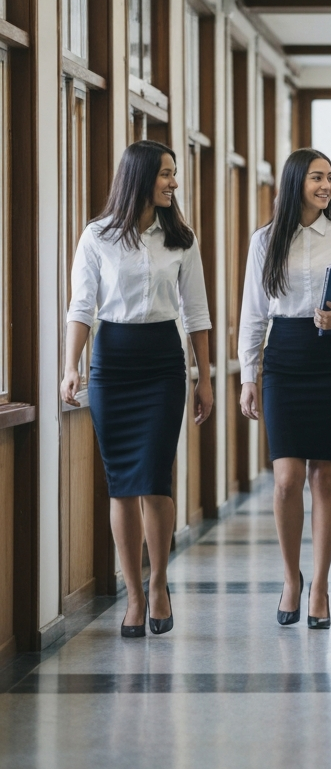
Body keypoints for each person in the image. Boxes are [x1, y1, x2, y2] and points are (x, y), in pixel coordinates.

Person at [60, 140, 213, 638]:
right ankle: (132, 593)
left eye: (174, 173)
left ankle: (160, 584)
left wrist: (204, 377)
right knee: (123, 483)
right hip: (113, 362)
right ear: (141, 178)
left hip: (163, 362)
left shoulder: (181, 239)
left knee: (155, 477)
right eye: (166, 173)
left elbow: (197, 313)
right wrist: (70, 368)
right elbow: (81, 307)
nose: (173, 182)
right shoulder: (97, 236)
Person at [239, 148, 331, 629]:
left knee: (325, 478)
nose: (326, 186)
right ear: (297, 181)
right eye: (317, 177)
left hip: (330, 359)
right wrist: (247, 376)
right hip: (285, 357)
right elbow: (252, 312)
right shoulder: (266, 240)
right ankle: (291, 580)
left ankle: (320, 585)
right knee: (287, 479)